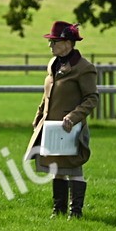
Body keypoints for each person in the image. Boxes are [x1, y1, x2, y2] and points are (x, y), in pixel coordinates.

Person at [26, 21, 99, 218]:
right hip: (52, 128)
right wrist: (39, 117)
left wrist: (73, 117)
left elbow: (92, 98)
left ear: (67, 43)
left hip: (71, 129)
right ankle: (58, 211)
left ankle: (75, 213)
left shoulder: (84, 68)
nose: (50, 45)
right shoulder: (53, 64)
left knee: (74, 168)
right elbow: (47, 95)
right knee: (56, 168)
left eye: (54, 41)